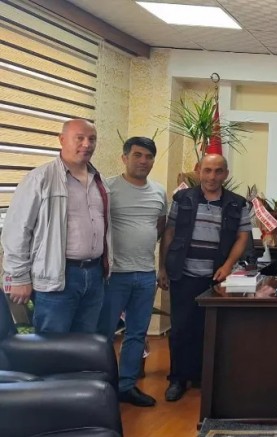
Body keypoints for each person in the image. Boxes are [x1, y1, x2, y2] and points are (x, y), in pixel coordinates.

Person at [2, 119, 111, 333]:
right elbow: (16, 230)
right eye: (79, 138)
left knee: (84, 343)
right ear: (61, 140)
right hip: (57, 276)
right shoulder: (40, 178)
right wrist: (19, 277)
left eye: (92, 139)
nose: (87, 144)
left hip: (94, 275)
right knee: (52, 345)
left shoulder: (100, 181)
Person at [158, 154, 251, 401]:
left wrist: (228, 266)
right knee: (181, 329)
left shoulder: (237, 203)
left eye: (218, 171)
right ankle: (178, 378)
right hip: (184, 274)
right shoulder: (183, 199)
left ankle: (203, 376)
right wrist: (163, 268)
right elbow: (169, 233)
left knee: (210, 329)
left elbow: (243, 237)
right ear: (199, 171)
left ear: (226, 174)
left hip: (215, 278)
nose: (212, 176)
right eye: (207, 170)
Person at [96, 136, 167, 407]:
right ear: (124, 158)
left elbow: (160, 227)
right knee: (104, 334)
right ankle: (101, 386)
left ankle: (126, 386)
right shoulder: (107, 188)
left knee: (137, 333)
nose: (143, 161)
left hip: (146, 274)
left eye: (148, 157)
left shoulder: (159, 191)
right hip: (114, 275)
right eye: (137, 155)